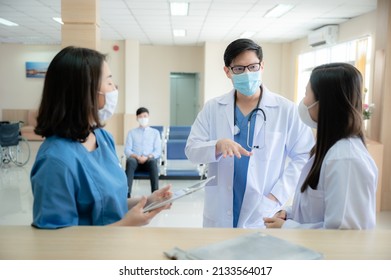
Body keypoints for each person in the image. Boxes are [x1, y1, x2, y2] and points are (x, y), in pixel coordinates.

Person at [31, 46, 171, 229]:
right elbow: (56, 243)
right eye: (109, 82)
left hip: (116, 249)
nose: (115, 89)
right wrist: (125, 225)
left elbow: (110, 204)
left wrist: (148, 201)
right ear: (85, 92)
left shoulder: (102, 138)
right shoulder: (55, 161)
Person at [185, 38, 315, 228]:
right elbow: (192, 150)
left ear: (262, 66)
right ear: (227, 72)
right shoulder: (213, 108)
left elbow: (304, 155)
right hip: (220, 208)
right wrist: (217, 146)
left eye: (253, 67)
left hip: (264, 207)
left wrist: (276, 196)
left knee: (257, 256)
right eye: (239, 69)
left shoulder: (286, 110)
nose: (247, 73)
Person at [264, 63, 378, 229]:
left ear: (324, 102)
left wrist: (287, 227)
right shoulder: (330, 149)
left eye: (306, 94)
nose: (303, 101)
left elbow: (344, 233)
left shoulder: (345, 159)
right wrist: (289, 214)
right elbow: (319, 209)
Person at [124, 107, 162, 197]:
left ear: (148, 116)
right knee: (130, 161)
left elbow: (158, 151)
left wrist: (147, 157)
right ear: (137, 118)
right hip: (135, 161)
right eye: (140, 117)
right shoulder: (131, 133)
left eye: (145, 116)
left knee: (153, 161)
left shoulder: (155, 133)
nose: (143, 118)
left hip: (148, 160)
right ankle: (127, 193)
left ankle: (155, 193)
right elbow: (127, 150)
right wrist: (137, 157)